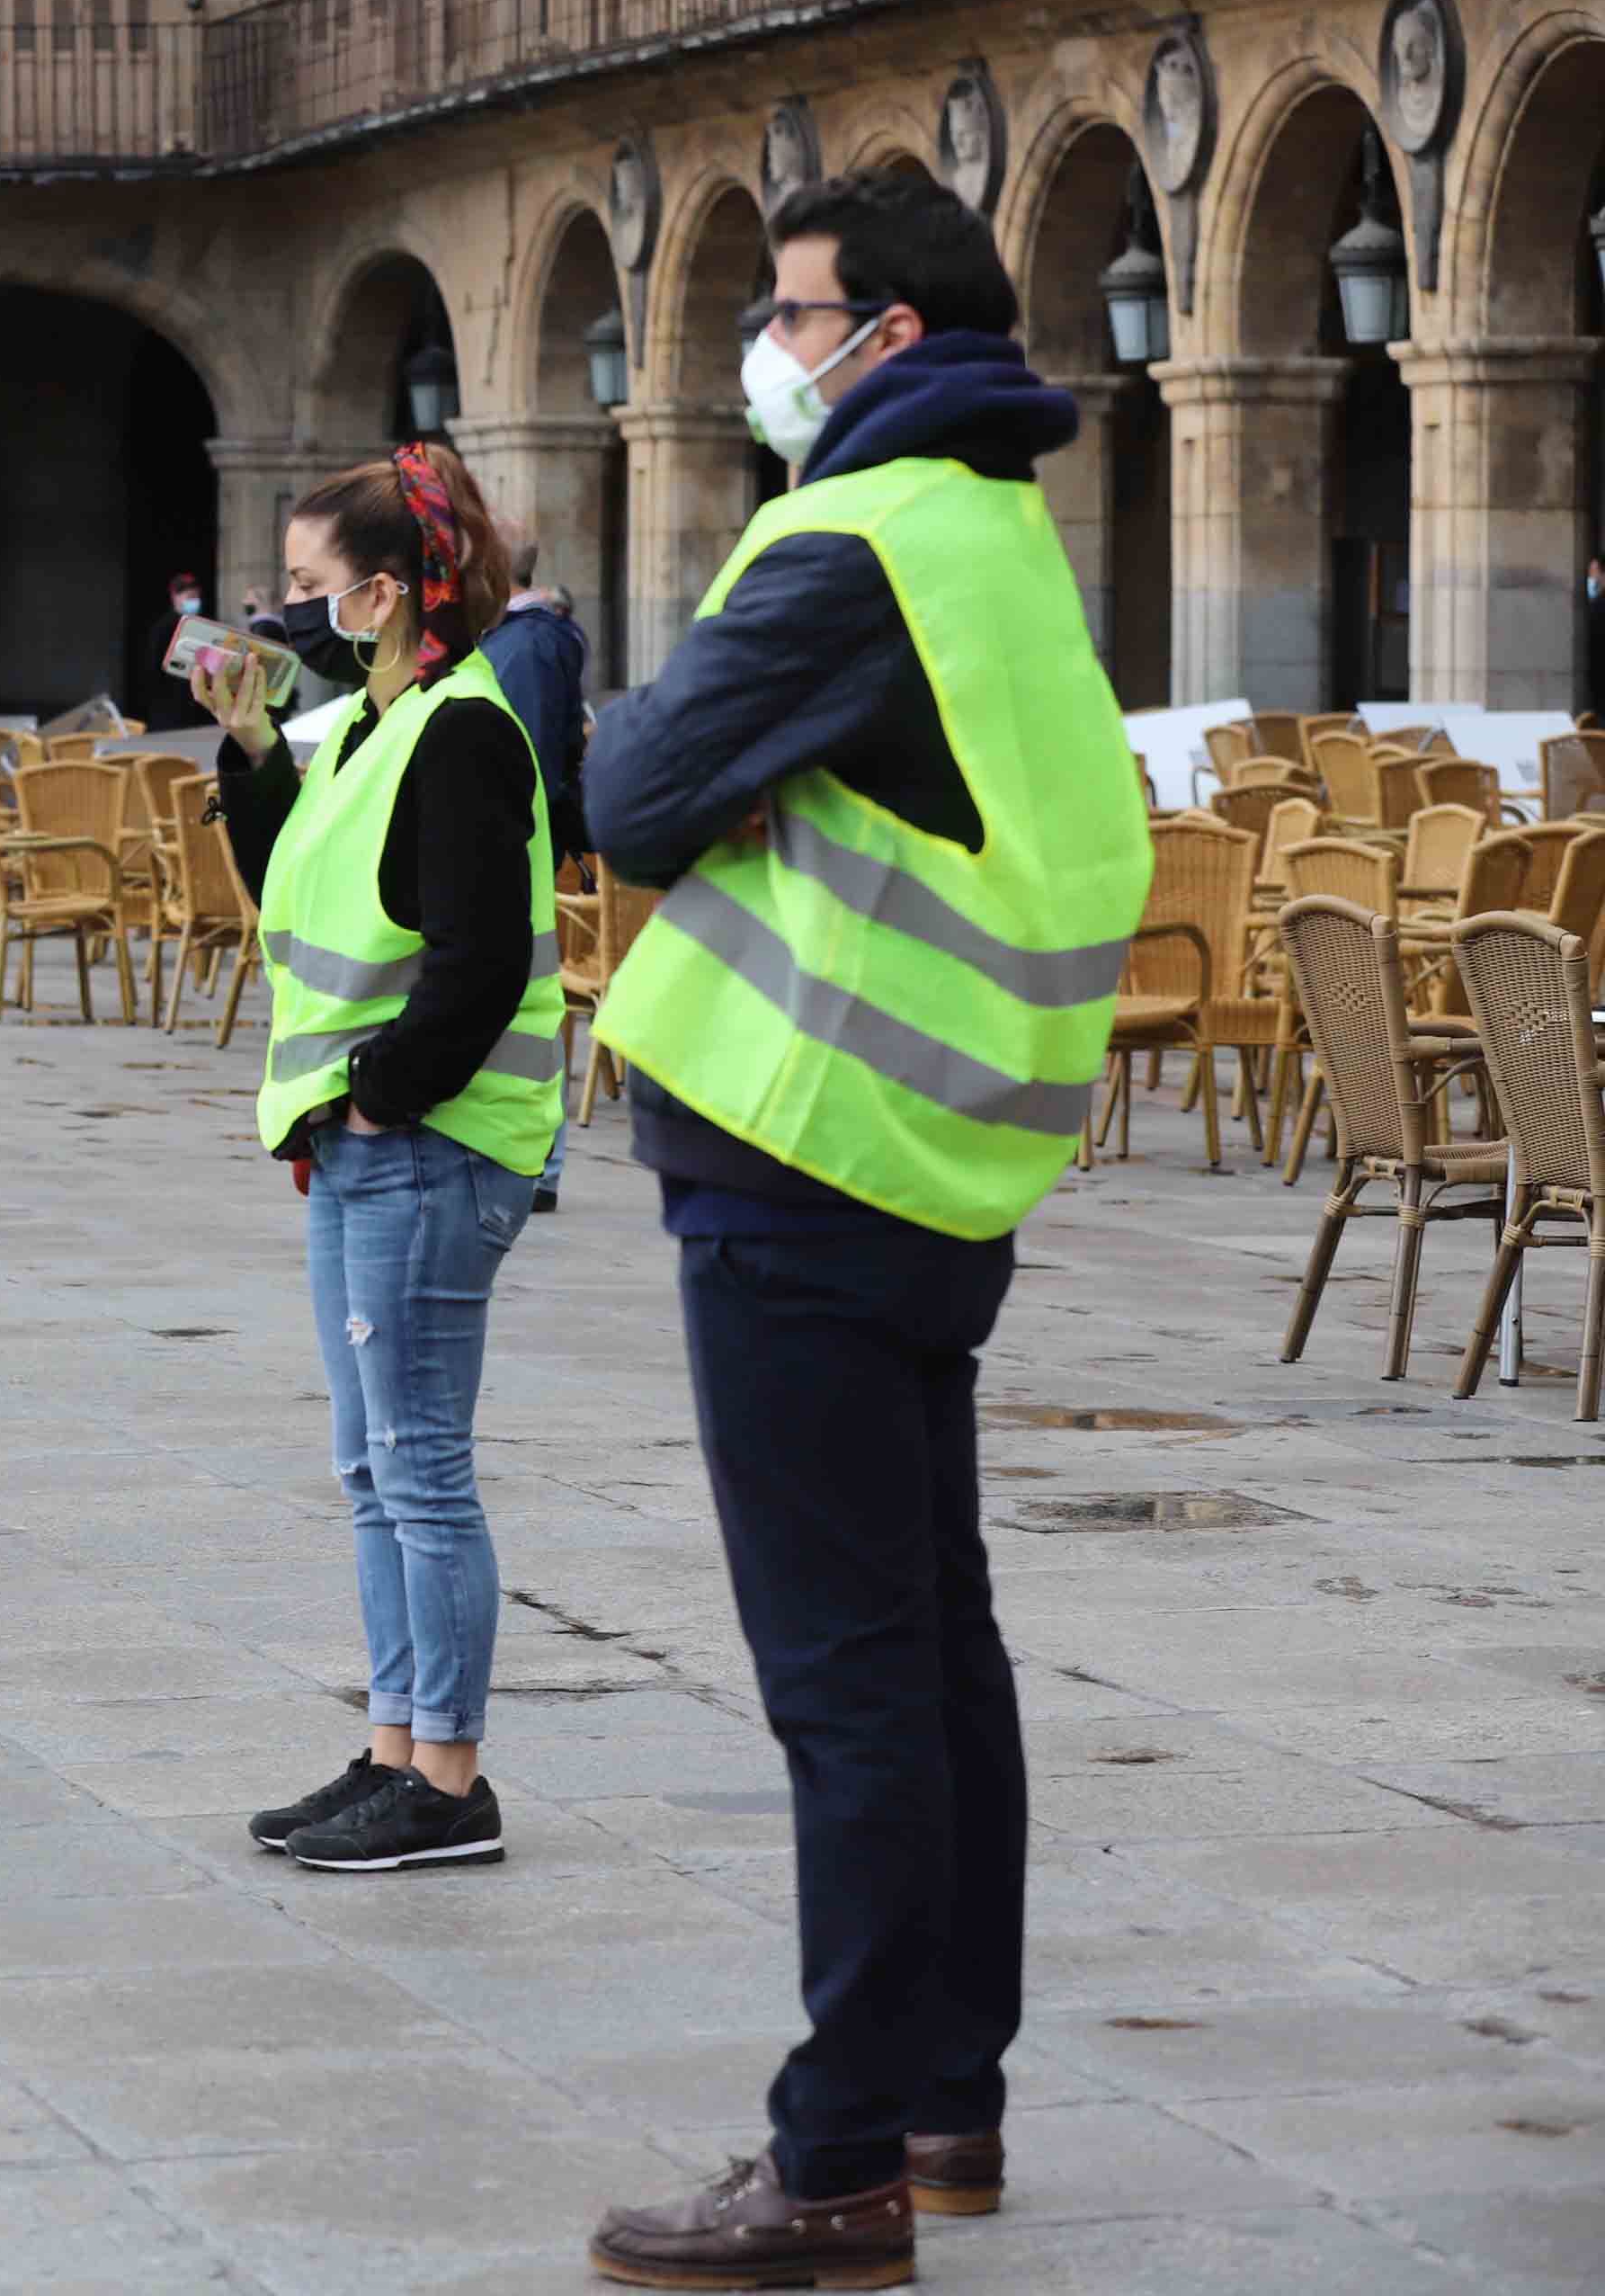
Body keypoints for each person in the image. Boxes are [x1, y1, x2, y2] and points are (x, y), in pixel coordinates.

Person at [579, 171, 1150, 2290]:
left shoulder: (848, 537)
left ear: (884, 337)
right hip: (943, 1162)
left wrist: (700, 765)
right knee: (936, 1648)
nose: (767, 343)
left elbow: (628, 794)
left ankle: (831, 2160)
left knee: (843, 1677)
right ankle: (945, 2096)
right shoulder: (1000, 534)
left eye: (789, 310)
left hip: (802, 1148)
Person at [210, 445, 558, 1881]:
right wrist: (241, 748)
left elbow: (474, 964)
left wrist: (378, 1099)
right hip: (363, 1141)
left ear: (390, 589)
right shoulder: (368, 719)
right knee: (371, 1465)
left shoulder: (463, 726)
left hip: (425, 1144)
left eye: (308, 587)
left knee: (419, 1470)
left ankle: (452, 1777)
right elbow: (297, 879)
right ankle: (395, 1746)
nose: (290, 611)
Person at [482, 526, 596, 1216]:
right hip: (525, 840)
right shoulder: (528, 640)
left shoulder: (523, 647)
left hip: (517, 843)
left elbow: (512, 762)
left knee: (525, 999)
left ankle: (533, 1160)